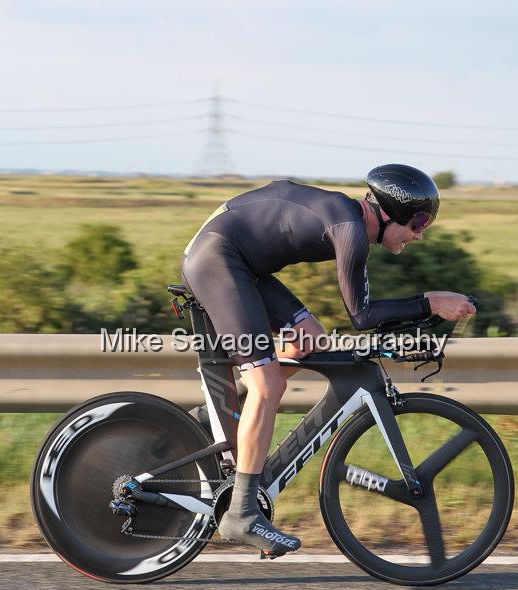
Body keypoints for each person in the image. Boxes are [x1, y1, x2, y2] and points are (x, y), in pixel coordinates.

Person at [180, 164, 477, 556]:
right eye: (419, 221)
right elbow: (363, 316)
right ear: (391, 211)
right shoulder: (350, 230)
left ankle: (218, 414)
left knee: (310, 339)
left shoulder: (348, 221)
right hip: (218, 260)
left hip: (238, 260)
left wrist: (426, 308)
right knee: (268, 384)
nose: (420, 233)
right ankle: (242, 512)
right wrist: (430, 303)